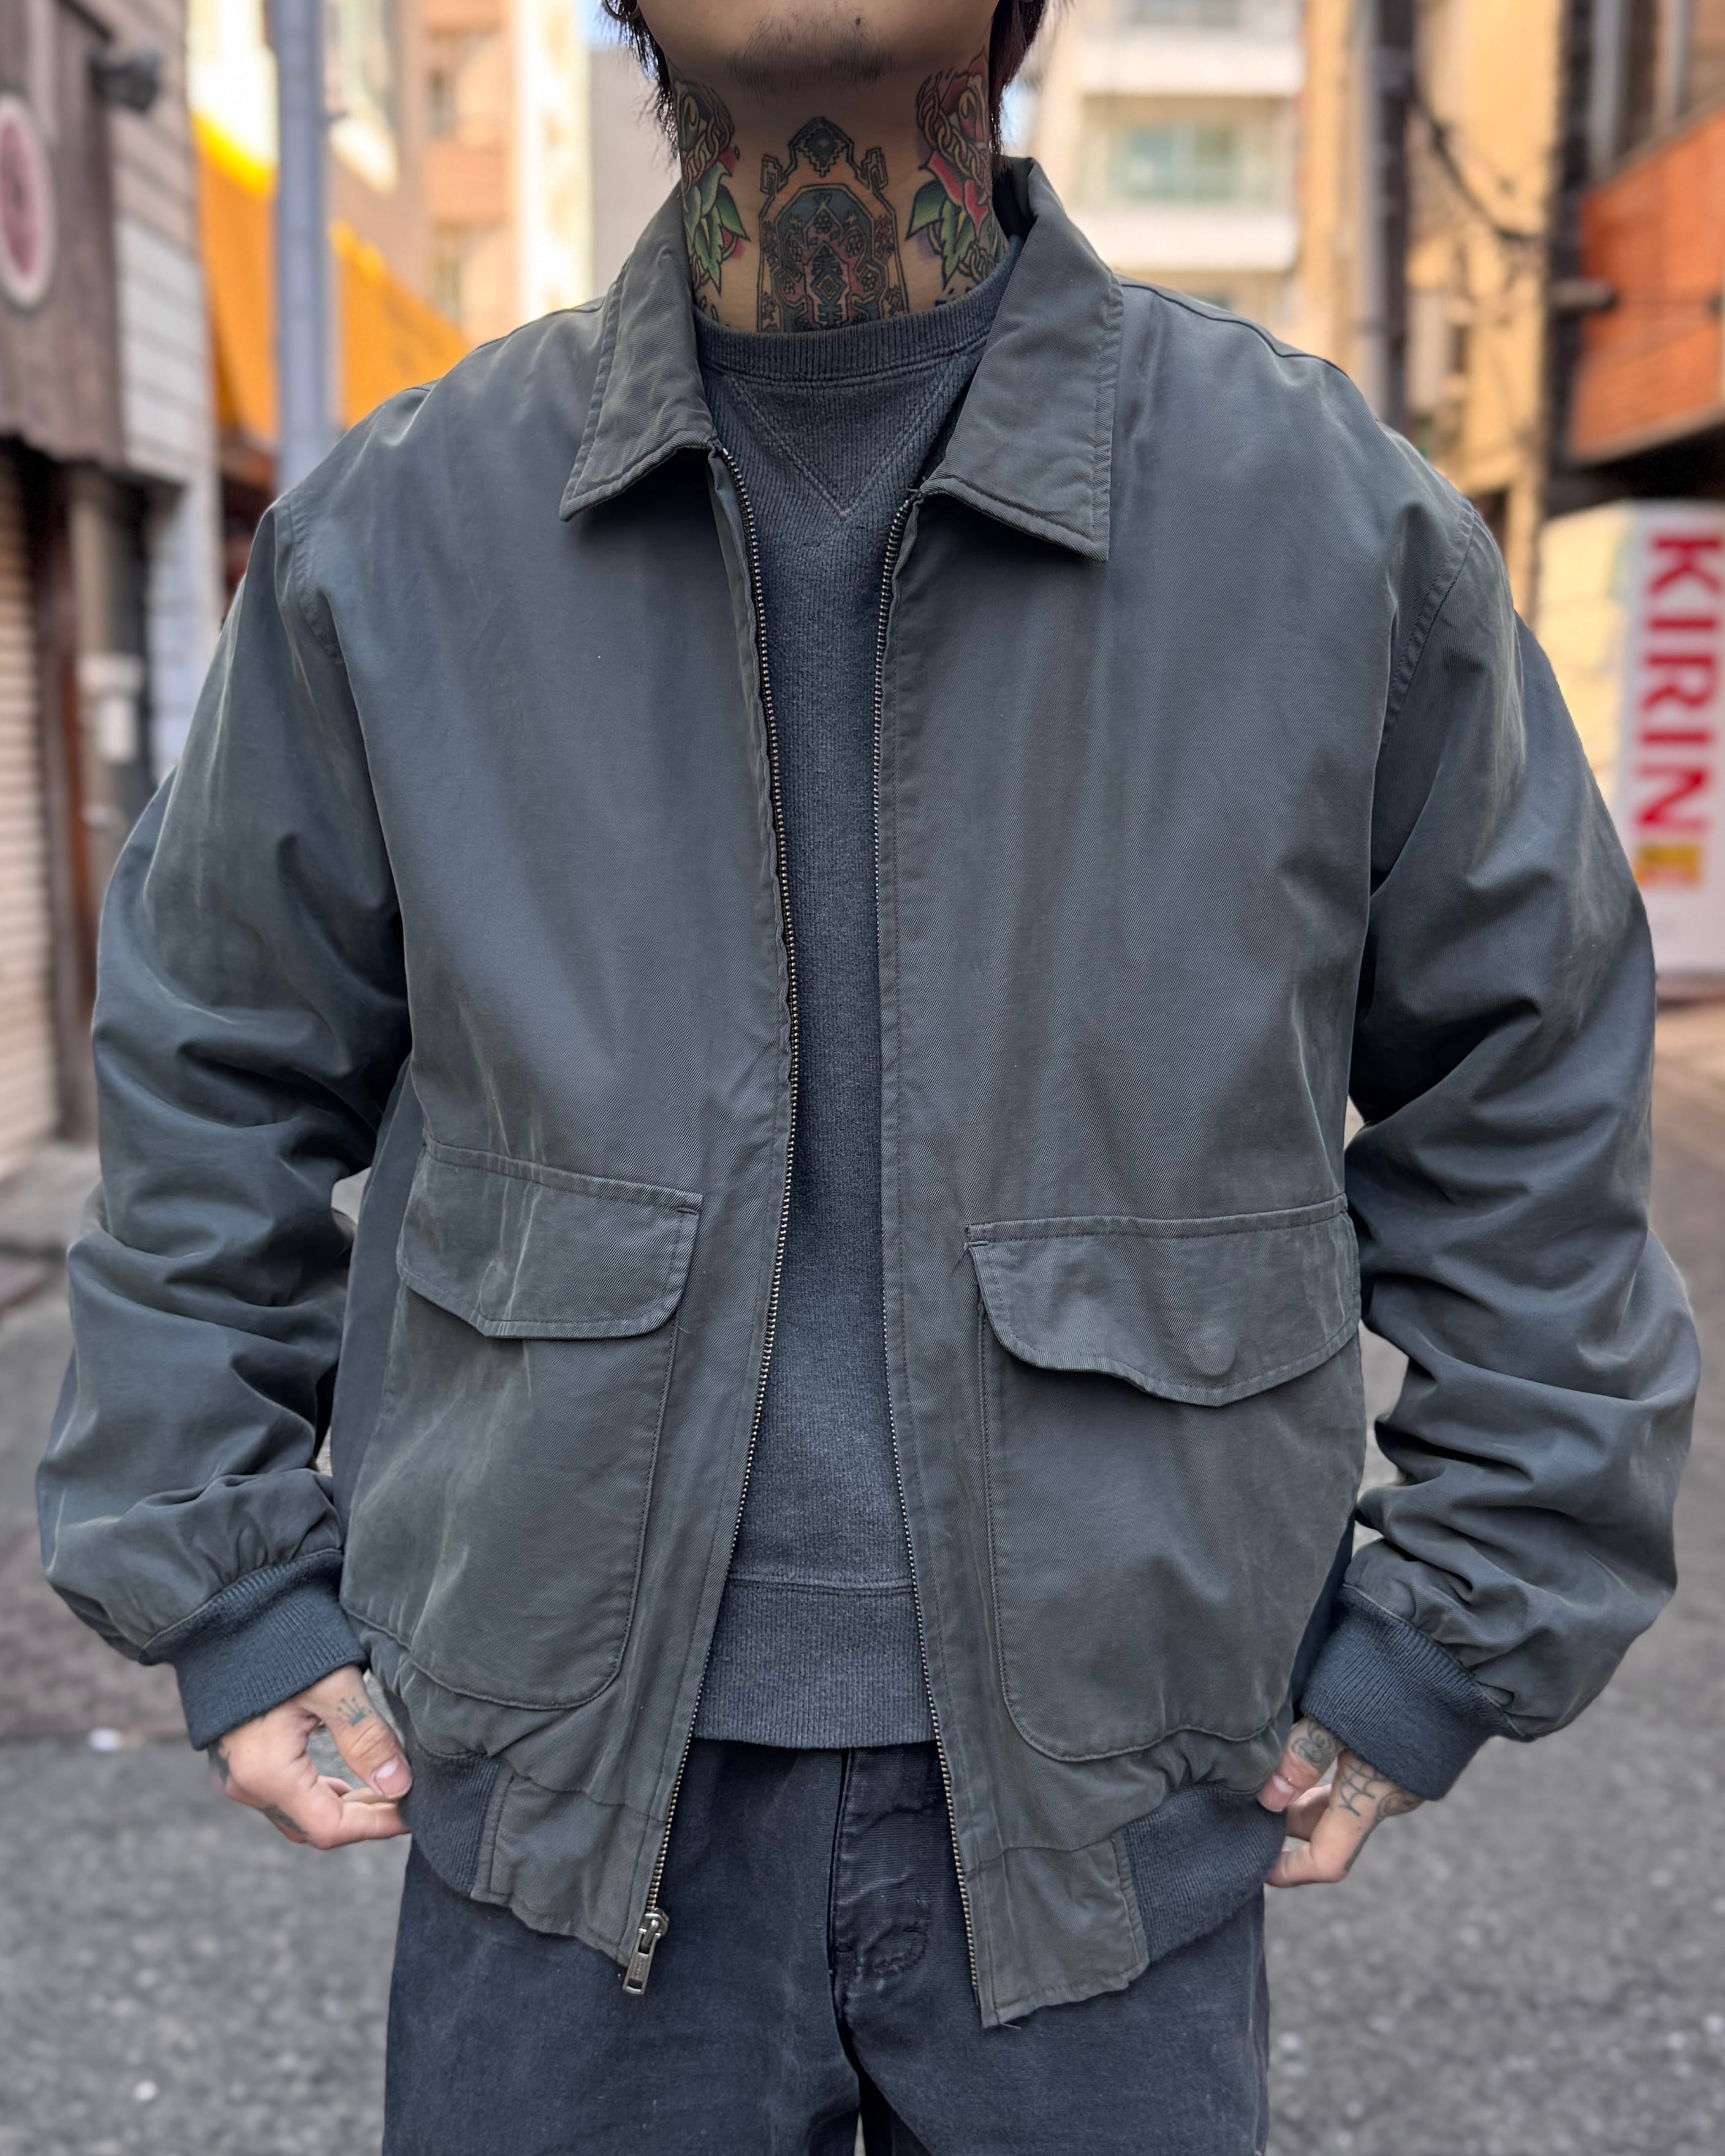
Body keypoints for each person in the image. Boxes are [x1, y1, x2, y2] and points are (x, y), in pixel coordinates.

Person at [39, 2, 1697, 2149]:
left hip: (1114, 1824)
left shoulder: (1319, 526)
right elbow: (214, 1061)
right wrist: (230, 1584)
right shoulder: (404, 536)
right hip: (553, 1815)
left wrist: (1460, 1623)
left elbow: (1529, 1073)